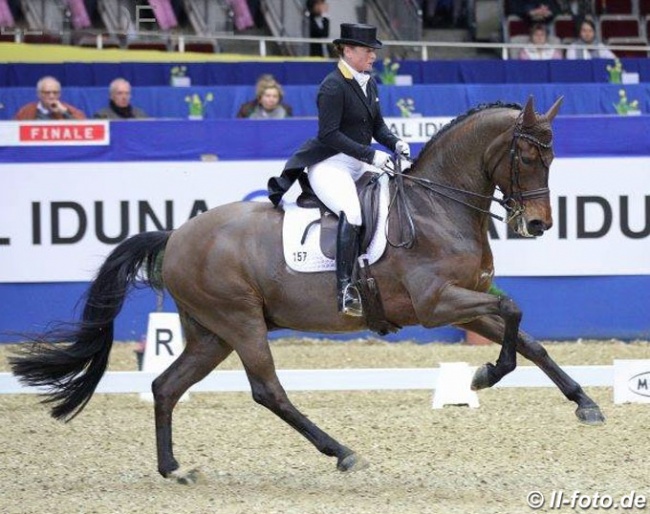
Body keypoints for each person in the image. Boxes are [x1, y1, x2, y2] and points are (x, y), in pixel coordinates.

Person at [267, 23, 410, 317]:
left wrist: (395, 143)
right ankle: (345, 288)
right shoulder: (333, 85)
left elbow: (377, 126)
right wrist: (371, 155)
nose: (373, 56)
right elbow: (329, 134)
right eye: (368, 50)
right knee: (352, 212)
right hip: (330, 163)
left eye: (373, 51)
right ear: (348, 50)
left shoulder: (368, 82)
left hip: (358, 162)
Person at [13, 76, 86, 120]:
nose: (51, 96)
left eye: (55, 92)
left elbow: (83, 127)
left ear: (60, 94)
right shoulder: (26, 111)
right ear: (39, 94)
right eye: (47, 93)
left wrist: (64, 112)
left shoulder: (68, 110)